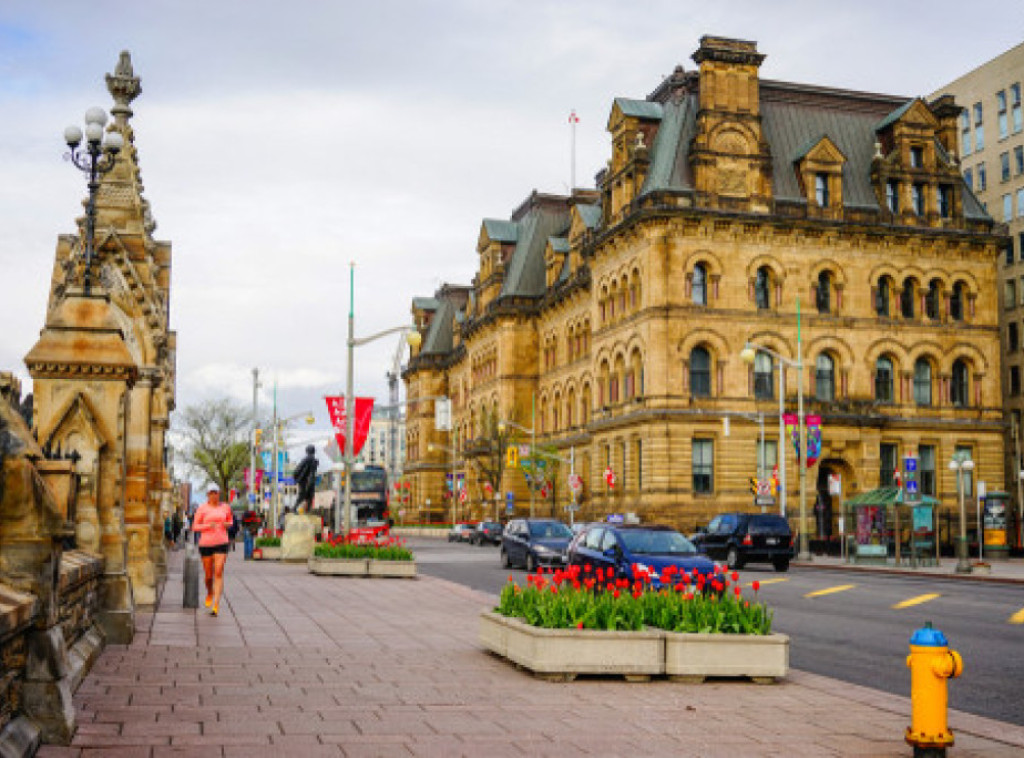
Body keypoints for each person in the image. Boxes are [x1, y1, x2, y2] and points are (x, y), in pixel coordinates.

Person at [191, 484, 233, 616]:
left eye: (216, 492)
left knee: (219, 572)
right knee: (209, 576)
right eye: (211, 493)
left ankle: (216, 604)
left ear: (219, 493)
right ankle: (209, 592)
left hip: (222, 542)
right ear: (207, 495)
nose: (214, 495)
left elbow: (230, 521)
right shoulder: (202, 508)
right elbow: (195, 527)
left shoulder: (225, 507)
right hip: (206, 544)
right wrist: (208, 526)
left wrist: (228, 524)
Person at [292, 445, 319, 513]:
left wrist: (296, 477)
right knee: (309, 495)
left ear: (307, 451)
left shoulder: (308, 459)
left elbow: (298, 469)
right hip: (309, 479)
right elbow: (299, 469)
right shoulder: (312, 460)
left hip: (306, 480)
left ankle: (296, 508)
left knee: (304, 494)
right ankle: (306, 510)